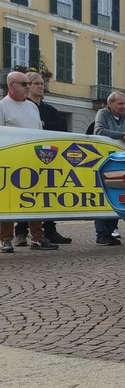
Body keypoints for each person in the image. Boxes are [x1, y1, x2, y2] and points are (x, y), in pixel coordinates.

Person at [0, 71, 59, 253]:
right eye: (24, 84)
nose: (28, 87)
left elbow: (39, 134)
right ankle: (6, 239)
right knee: (8, 201)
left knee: (35, 200)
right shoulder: (2, 106)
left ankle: (38, 237)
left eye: (28, 84)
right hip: (11, 162)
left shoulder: (33, 107)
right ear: (11, 86)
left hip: (33, 161)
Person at [14, 72, 72, 246]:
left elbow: (62, 127)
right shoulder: (23, 107)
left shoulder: (49, 109)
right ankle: (21, 232)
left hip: (48, 156)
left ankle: (50, 230)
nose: (41, 86)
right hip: (25, 157)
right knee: (25, 195)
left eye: (42, 83)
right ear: (28, 86)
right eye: (36, 83)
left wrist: (47, 125)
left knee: (47, 194)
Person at [93, 91, 125, 245]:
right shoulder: (102, 113)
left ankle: (111, 231)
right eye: (120, 103)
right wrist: (123, 135)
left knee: (116, 194)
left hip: (120, 164)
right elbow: (99, 131)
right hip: (103, 162)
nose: (124, 107)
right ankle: (101, 233)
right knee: (102, 196)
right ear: (110, 104)